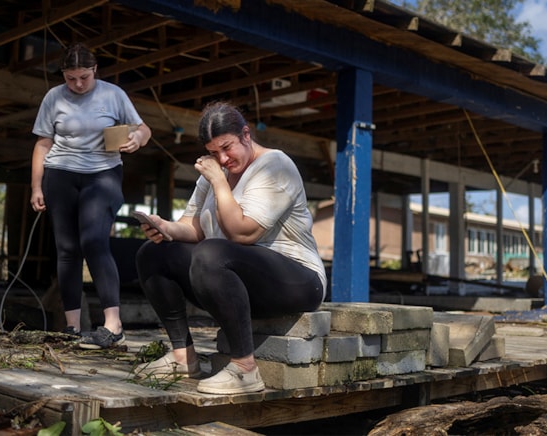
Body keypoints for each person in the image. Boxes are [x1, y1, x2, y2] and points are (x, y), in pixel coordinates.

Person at [134, 101, 326, 395]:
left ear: (246, 135)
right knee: (154, 253)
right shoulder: (214, 173)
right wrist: (164, 227)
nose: (222, 159)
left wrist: (219, 182)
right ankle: (182, 356)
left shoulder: (275, 166)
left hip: (297, 280)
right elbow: (193, 227)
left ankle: (245, 370)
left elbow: (242, 233)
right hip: (237, 277)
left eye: (227, 148)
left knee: (211, 252)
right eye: (213, 152)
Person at [30, 43, 152, 349]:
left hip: (103, 173)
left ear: (94, 70)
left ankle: (113, 324)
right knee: (67, 249)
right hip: (60, 174)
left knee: (94, 241)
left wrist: (136, 138)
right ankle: (71, 327)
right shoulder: (53, 97)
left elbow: (143, 128)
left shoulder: (113, 95)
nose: (78, 84)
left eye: (83, 77)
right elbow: (43, 144)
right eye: (71, 78)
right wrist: (36, 186)